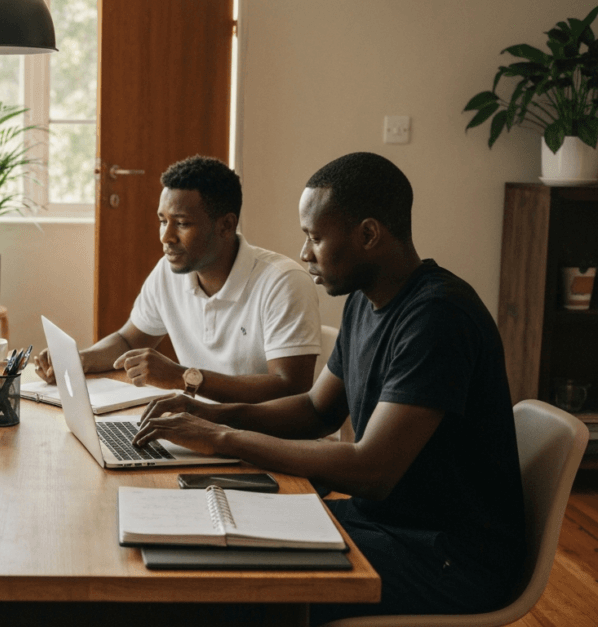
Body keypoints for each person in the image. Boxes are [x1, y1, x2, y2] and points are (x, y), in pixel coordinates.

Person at [133, 152, 525, 623]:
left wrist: (221, 437)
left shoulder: (438, 318)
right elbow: (316, 411)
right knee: (201, 543)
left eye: (315, 237)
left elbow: (371, 470)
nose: (304, 254)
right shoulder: (366, 302)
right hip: (386, 525)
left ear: (367, 235)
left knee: (224, 590)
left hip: (446, 557)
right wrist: (209, 415)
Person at [35, 155, 320, 403]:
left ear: (226, 225)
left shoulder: (283, 282)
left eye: (182, 223)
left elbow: (290, 388)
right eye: (163, 221)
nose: (166, 237)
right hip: (195, 425)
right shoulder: (168, 273)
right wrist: (77, 360)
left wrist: (183, 378)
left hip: (258, 441)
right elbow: (127, 340)